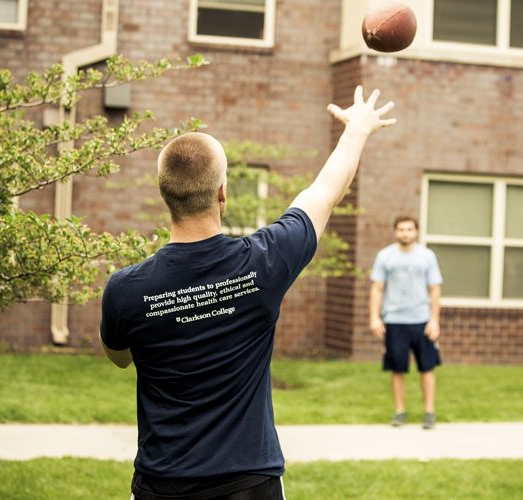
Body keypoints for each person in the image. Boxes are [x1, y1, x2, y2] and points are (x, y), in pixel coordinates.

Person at [99, 85, 395, 500]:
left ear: (165, 195)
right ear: (223, 194)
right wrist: (357, 129)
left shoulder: (125, 290)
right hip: (250, 485)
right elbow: (326, 191)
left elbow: (119, 358)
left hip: (161, 486)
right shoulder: (264, 263)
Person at [369, 216, 443, 429]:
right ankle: (399, 411)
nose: (405, 233)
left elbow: (435, 289)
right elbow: (377, 288)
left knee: (427, 368)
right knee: (397, 369)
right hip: (394, 320)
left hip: (422, 320)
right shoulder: (385, 256)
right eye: (401, 229)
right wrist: (375, 317)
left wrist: (434, 320)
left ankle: (429, 412)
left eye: (409, 229)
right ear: (395, 232)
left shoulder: (427, 256)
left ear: (416, 231)